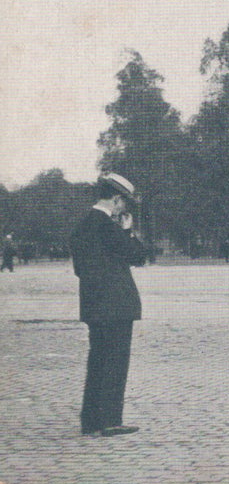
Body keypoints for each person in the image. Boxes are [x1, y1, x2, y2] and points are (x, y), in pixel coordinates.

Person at [69, 173, 147, 437]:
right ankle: (111, 420)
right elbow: (138, 256)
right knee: (115, 362)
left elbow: (81, 269)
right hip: (117, 304)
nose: (124, 209)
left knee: (98, 361)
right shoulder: (109, 227)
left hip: (93, 304)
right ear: (116, 200)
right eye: (124, 204)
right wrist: (128, 231)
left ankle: (91, 420)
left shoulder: (82, 226)